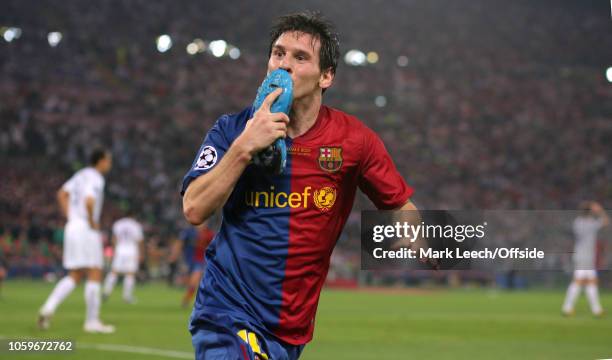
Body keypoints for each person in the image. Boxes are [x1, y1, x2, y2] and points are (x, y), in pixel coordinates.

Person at [181, 12, 419, 359]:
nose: (284, 65)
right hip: (226, 311)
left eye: (300, 57)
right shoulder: (232, 130)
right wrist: (245, 147)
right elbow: (193, 207)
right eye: (278, 54)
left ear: (326, 76)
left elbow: (399, 204)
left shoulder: (354, 141)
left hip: (290, 329)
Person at [38, 148, 115, 333]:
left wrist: (70, 216)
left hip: (72, 226)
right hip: (86, 229)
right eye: (108, 160)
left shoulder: (80, 175)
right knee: (95, 271)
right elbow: (89, 201)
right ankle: (92, 322)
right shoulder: (96, 177)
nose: (110, 164)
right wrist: (91, 221)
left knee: (75, 274)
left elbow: (61, 194)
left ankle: (48, 308)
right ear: (101, 161)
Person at [562, 201, 609, 317]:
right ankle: (567, 308)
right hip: (585, 256)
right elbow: (606, 221)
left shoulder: (577, 222)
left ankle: (596, 310)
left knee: (589, 282)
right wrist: (600, 210)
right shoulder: (590, 223)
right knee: (579, 282)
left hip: (582, 255)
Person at [102, 211, 145, 304]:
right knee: (130, 274)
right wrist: (141, 254)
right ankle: (127, 296)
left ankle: (106, 292)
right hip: (131, 250)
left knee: (114, 272)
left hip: (120, 250)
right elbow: (140, 241)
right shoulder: (135, 225)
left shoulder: (118, 224)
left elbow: (114, 239)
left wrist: (114, 250)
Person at [168, 222, 215, 307]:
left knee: (194, 281)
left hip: (202, 261)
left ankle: (187, 301)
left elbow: (215, 246)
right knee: (189, 282)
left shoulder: (210, 233)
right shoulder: (188, 232)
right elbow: (179, 243)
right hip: (188, 260)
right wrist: (174, 255)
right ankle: (190, 299)